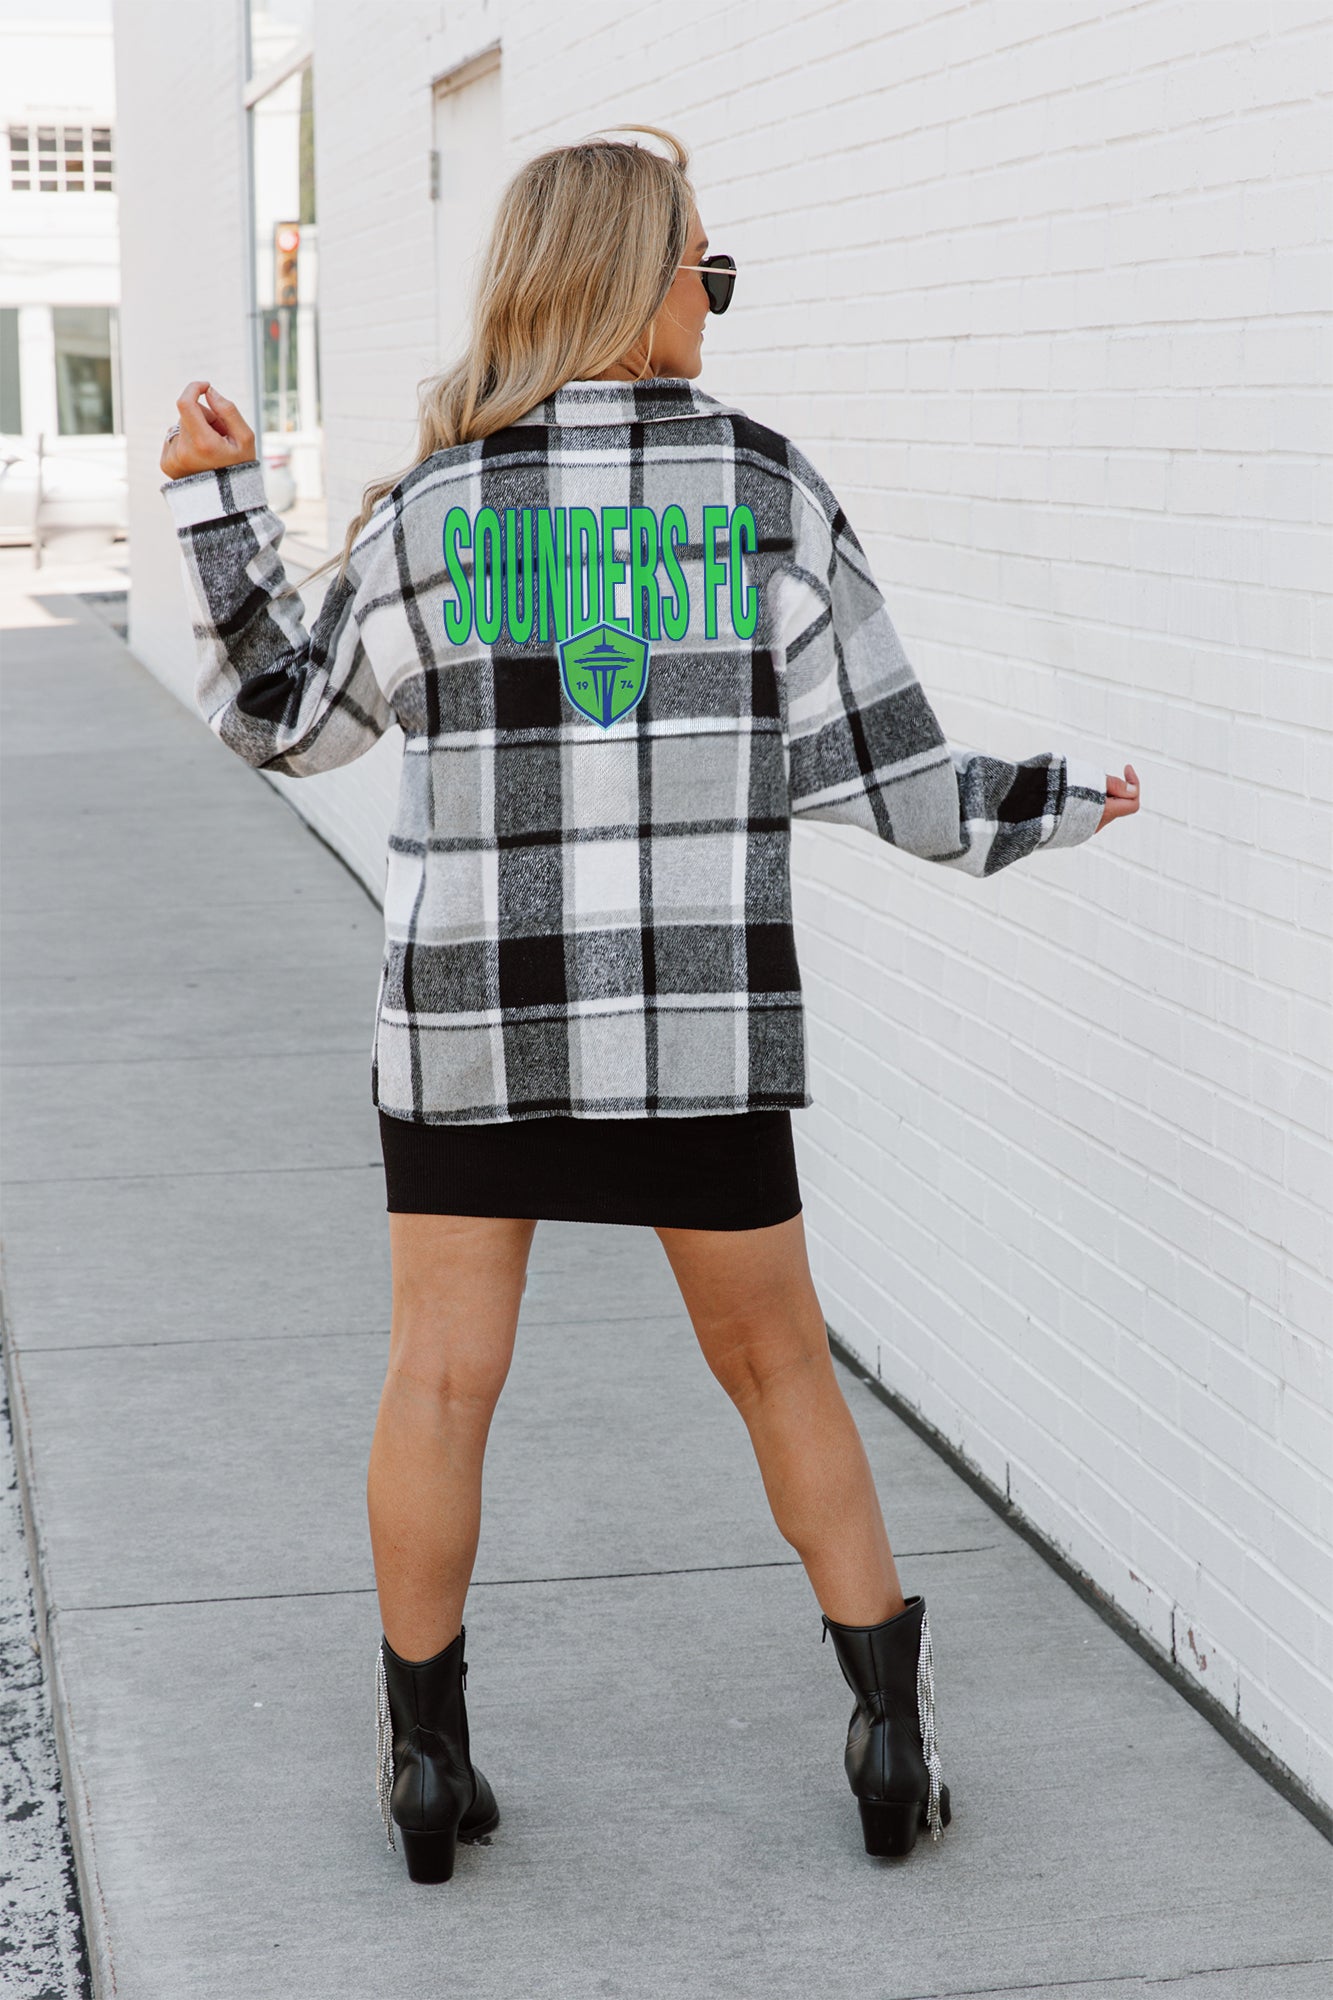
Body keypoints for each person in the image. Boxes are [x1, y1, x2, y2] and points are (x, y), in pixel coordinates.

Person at [159, 122, 1140, 1886]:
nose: (716, 297)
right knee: (778, 1369)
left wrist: (222, 510)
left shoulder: (438, 510)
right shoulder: (763, 490)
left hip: (473, 1026)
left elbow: (282, 721)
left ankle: (427, 1769)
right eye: (708, 266)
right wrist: (1057, 799)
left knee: (438, 1383)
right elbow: (892, 780)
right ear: (634, 278)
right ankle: (890, 1741)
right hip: (697, 1026)